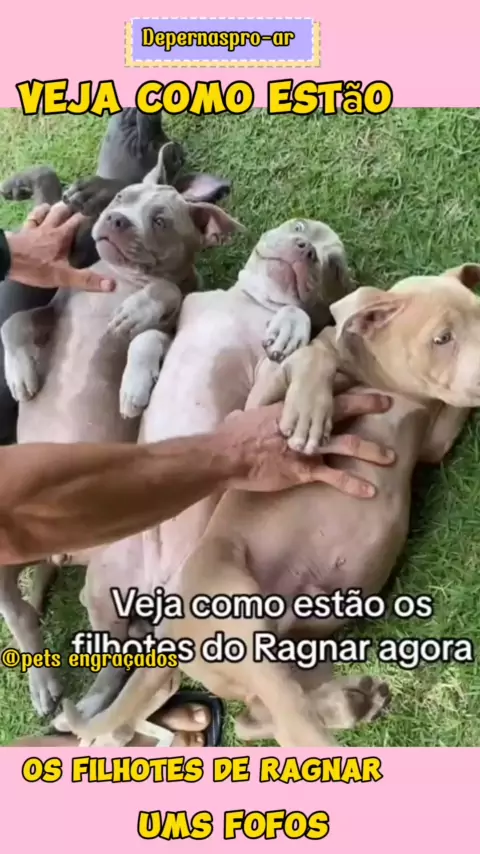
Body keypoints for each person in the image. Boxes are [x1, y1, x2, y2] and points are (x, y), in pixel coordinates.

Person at [0, 203, 396, 566]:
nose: (307, 248)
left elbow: (286, 370)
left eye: (331, 267)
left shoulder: (257, 319)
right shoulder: (198, 303)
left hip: (177, 522)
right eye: (298, 228)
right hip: (123, 516)